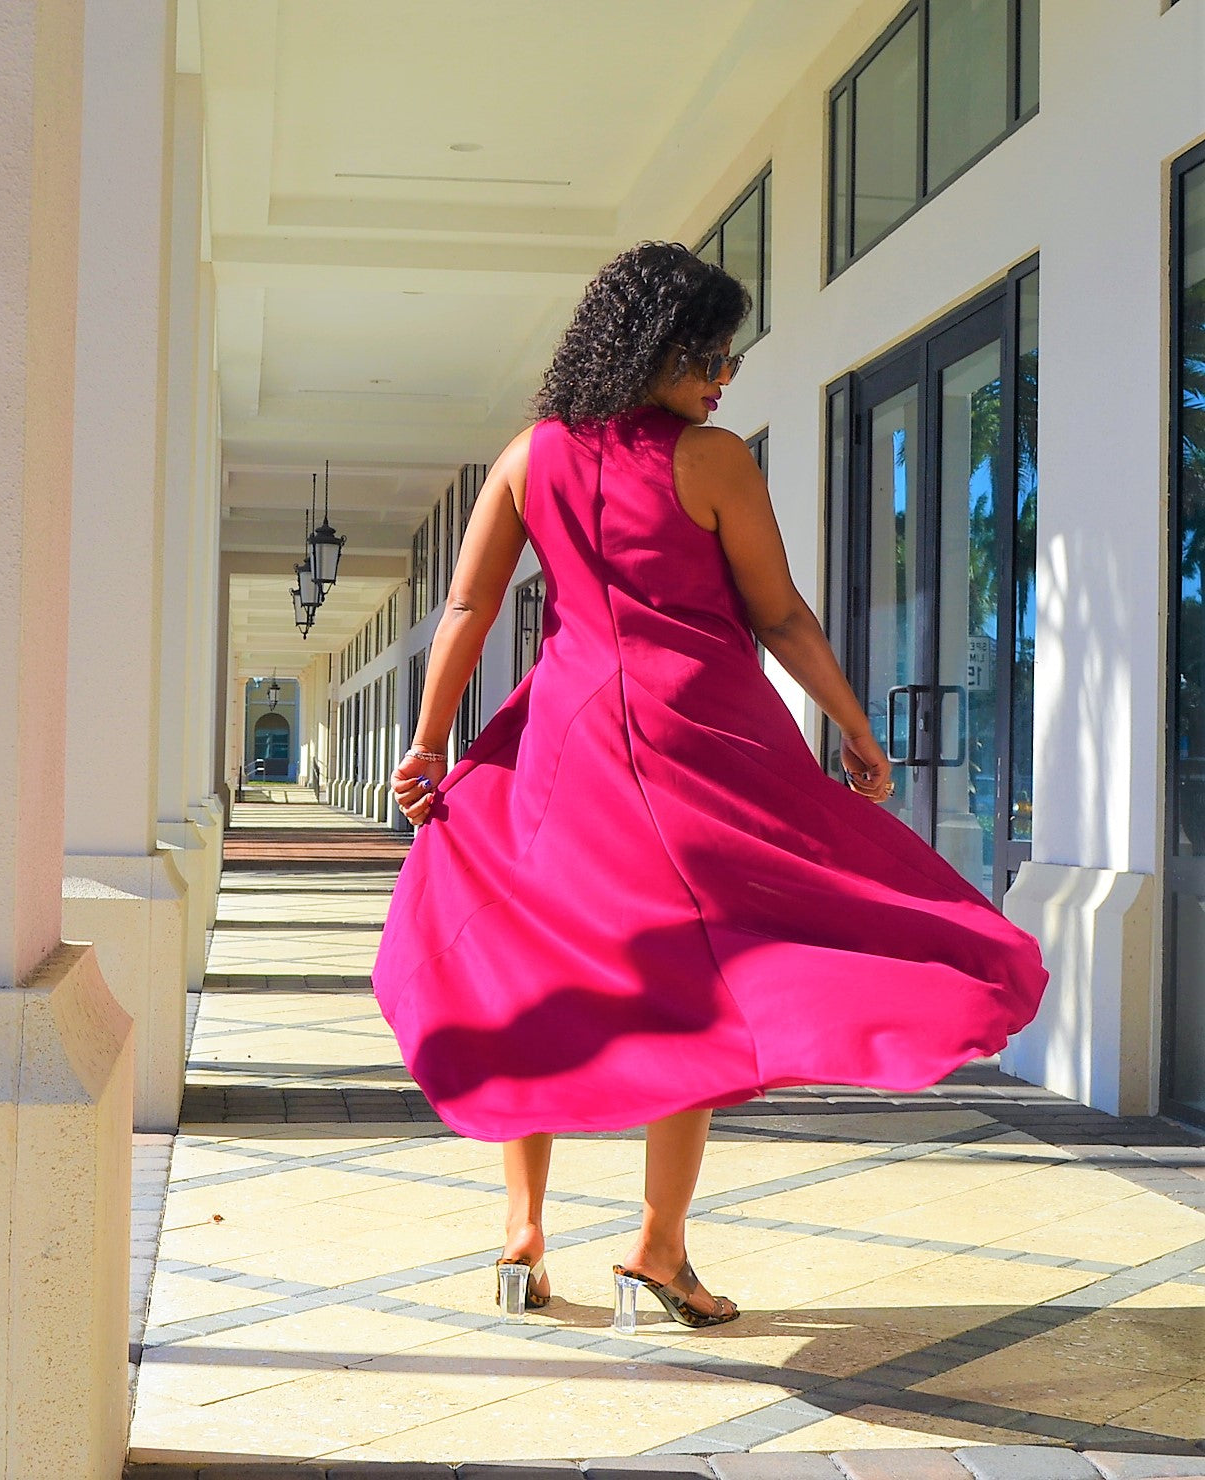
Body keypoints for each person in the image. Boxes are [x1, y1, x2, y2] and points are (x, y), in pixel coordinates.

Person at [371, 242, 1048, 1333]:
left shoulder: (526, 455)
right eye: (703, 354)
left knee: (517, 957)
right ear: (645, 348)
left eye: (727, 356)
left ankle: (522, 1230)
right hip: (699, 744)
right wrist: (852, 724)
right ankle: (656, 1247)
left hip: (561, 743)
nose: (719, 376)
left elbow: (466, 608)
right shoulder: (713, 460)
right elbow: (779, 615)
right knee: (701, 975)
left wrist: (430, 742)